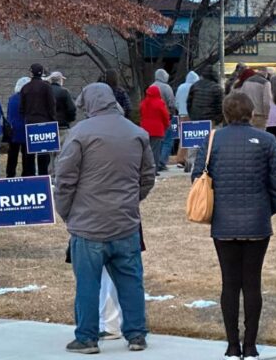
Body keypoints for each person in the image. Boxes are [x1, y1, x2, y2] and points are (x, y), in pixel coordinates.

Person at [54, 82, 155, 354]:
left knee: (87, 284)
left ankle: (87, 338)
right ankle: (136, 335)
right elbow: (147, 178)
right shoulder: (137, 133)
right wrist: (131, 202)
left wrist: (67, 212)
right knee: (131, 281)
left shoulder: (79, 133)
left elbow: (64, 180)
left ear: (88, 103)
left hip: (88, 226)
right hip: (126, 223)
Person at [191, 92, 276, 360]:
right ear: (250, 112)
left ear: (225, 113)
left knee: (230, 284)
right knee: (252, 283)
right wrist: (270, 206)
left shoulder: (212, 140)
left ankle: (233, 345)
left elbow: (197, 177)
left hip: (223, 223)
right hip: (257, 221)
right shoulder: (267, 140)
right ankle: (251, 345)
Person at [19, 63, 56, 176]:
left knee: (29, 154)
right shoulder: (47, 87)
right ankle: (44, 178)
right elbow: (52, 104)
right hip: (44, 123)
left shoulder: (25, 88)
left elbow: (21, 108)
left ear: (31, 73)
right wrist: (52, 120)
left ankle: (31, 179)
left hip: (30, 123)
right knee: (44, 154)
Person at [186, 66, 224, 171]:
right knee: (211, 142)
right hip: (211, 118)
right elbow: (221, 106)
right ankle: (210, 164)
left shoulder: (195, 86)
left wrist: (192, 115)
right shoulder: (217, 88)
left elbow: (189, 102)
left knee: (194, 142)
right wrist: (218, 119)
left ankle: (191, 163)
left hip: (196, 118)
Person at [48, 71, 76, 175]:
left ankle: (50, 176)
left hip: (48, 127)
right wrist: (69, 119)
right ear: (60, 80)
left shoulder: (46, 92)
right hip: (63, 126)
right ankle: (59, 176)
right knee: (62, 153)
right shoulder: (64, 92)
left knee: (50, 154)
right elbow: (72, 109)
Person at [139, 85, 169, 175]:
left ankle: (145, 169)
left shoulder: (143, 103)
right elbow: (165, 116)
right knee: (155, 151)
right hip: (157, 130)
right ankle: (154, 170)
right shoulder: (160, 103)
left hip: (145, 130)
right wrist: (166, 125)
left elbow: (141, 115)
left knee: (146, 150)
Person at [151, 69, 176, 171]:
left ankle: (156, 162)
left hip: (153, 118)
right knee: (168, 140)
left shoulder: (151, 86)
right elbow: (171, 103)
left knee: (157, 142)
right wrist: (172, 113)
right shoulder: (166, 87)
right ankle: (162, 162)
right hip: (165, 117)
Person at [5, 77, 30, 178]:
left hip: (13, 130)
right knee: (27, 156)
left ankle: (10, 174)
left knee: (12, 155)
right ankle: (26, 175)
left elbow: (9, 115)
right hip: (25, 129)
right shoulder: (28, 99)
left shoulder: (12, 98)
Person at [174, 71, 199, 168]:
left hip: (182, 114)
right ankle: (190, 159)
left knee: (183, 138)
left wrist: (180, 109)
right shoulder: (195, 87)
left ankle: (180, 159)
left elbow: (176, 102)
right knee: (193, 137)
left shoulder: (180, 87)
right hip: (191, 114)